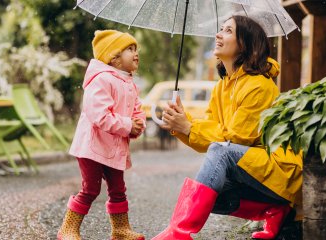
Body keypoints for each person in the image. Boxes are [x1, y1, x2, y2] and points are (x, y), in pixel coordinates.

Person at [152, 16, 302, 240]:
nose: (218, 34)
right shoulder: (222, 86)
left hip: (280, 170)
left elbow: (236, 139)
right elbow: (213, 132)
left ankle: (179, 233)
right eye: (220, 29)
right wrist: (182, 124)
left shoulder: (259, 85)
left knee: (220, 156)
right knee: (211, 186)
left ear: (245, 44)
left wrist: (190, 127)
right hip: (253, 168)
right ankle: (273, 210)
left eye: (228, 31)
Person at [57, 29, 146, 240]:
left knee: (118, 189)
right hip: (92, 147)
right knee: (91, 188)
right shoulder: (101, 80)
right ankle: (68, 229)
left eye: (136, 49)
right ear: (114, 58)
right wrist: (126, 125)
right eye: (130, 49)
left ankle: (121, 230)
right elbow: (98, 114)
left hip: (114, 148)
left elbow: (137, 109)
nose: (136, 53)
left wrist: (138, 123)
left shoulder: (129, 83)